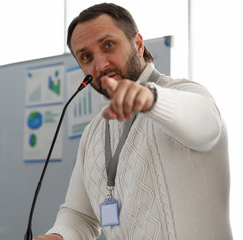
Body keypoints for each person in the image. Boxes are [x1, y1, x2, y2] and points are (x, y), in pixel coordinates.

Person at [34, 3, 232, 240]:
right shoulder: (93, 132)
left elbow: (206, 127)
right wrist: (58, 236)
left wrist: (151, 99)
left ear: (137, 44)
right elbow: (80, 215)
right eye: (86, 57)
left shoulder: (185, 93)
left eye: (108, 45)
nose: (100, 65)